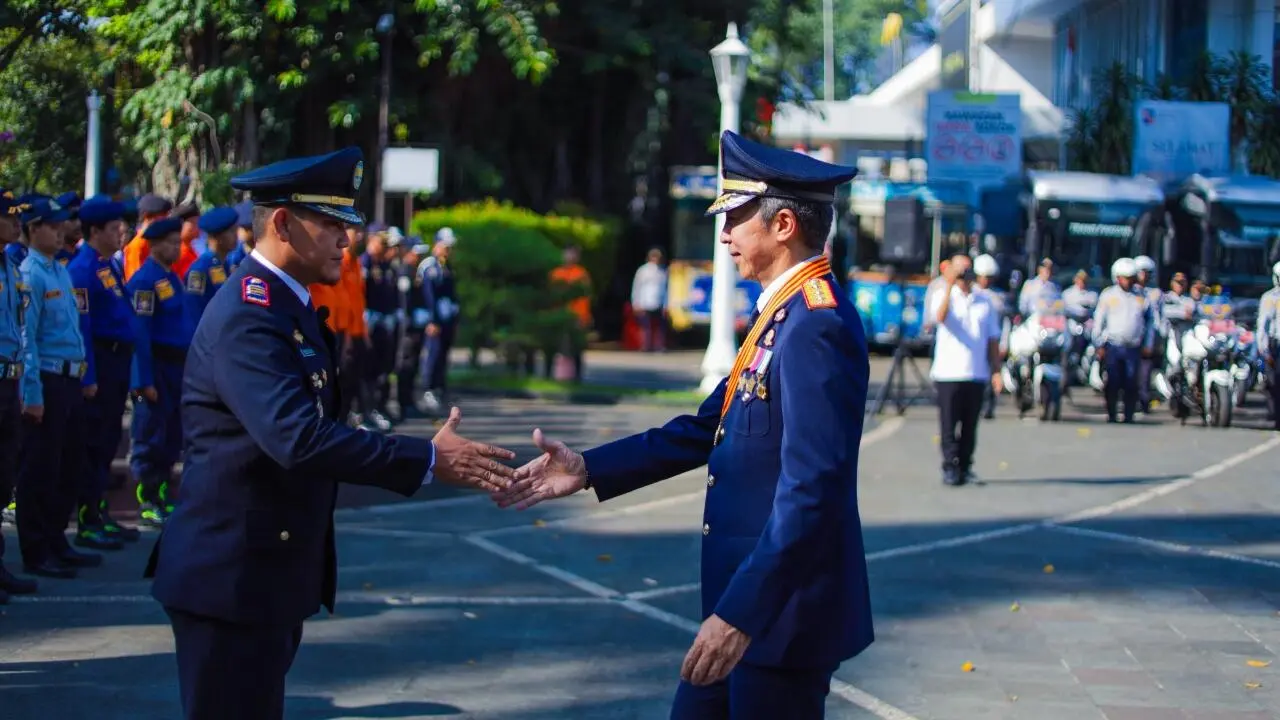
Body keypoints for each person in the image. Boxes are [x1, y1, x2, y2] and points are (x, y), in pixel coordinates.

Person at [493, 130, 872, 719]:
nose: (723, 236)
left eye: (736, 219)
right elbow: (704, 428)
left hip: (775, 619)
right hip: (745, 610)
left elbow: (811, 490)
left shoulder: (815, 324)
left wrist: (741, 614)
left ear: (783, 226)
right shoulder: (783, 317)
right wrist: (591, 468)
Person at [143, 146, 519, 720]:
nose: (346, 241)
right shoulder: (251, 315)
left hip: (261, 575)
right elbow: (298, 437)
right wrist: (423, 458)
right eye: (332, 224)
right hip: (230, 579)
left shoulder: (281, 307)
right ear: (283, 224)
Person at [17, 196, 103, 579]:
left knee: (68, 465)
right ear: (34, 230)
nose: (60, 231)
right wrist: (32, 394)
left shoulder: (60, 270)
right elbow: (27, 339)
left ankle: (57, 540)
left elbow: (72, 329)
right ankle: (36, 550)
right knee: (41, 469)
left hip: (70, 379)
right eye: (52, 226)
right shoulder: (30, 273)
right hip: (47, 381)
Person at [68, 195, 139, 548]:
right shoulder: (81, 270)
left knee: (109, 440)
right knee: (93, 444)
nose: (121, 232)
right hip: (100, 361)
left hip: (117, 362)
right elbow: (82, 328)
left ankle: (100, 512)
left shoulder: (105, 265)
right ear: (95, 231)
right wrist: (89, 376)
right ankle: (87, 519)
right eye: (114, 228)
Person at [127, 216, 193, 527]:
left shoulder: (172, 278)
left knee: (171, 435)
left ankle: (163, 495)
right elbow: (139, 335)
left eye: (177, 242)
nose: (176, 248)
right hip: (157, 367)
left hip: (176, 368)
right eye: (169, 242)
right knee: (151, 435)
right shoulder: (144, 281)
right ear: (153, 245)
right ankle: (147, 499)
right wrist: (143, 379)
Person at [930, 255, 1002, 487]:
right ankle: (950, 466)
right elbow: (938, 318)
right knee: (949, 424)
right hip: (948, 372)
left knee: (970, 426)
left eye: (968, 270)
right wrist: (950, 283)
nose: (965, 275)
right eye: (961, 270)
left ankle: (966, 466)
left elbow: (992, 339)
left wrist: (996, 371)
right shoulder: (942, 293)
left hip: (976, 372)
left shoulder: (985, 300)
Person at [0, 191, 39, 600]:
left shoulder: (12, 266)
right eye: (7, 218)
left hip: (10, 379)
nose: (15, 224)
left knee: (3, 478)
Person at [1093, 258, 1155, 424]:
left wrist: (1148, 344)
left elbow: (1150, 323)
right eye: (1124, 277)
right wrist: (1098, 343)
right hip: (1113, 345)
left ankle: (1129, 414)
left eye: (1130, 277)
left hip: (1133, 346)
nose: (1127, 281)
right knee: (1112, 381)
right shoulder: (1108, 295)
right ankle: (1112, 413)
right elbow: (1099, 320)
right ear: (1117, 278)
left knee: (1131, 381)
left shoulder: (1142, 297)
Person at [360, 225, 398, 430]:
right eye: (381, 243)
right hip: (368, 323)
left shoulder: (383, 264)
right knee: (368, 371)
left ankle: (377, 408)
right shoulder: (364, 263)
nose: (384, 248)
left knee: (382, 369)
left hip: (382, 322)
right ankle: (365, 411)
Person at [420, 227, 459, 414]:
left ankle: (439, 388)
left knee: (443, 354)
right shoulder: (430, 266)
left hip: (447, 319)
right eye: (446, 246)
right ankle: (428, 388)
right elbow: (429, 296)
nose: (448, 250)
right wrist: (433, 320)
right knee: (433, 354)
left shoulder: (446, 266)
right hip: (435, 319)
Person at [184, 206, 239, 327]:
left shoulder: (224, 263)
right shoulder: (200, 270)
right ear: (217, 237)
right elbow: (194, 310)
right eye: (231, 232)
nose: (236, 236)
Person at [394, 240, 430, 420]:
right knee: (406, 365)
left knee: (413, 365)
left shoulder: (415, 270)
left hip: (416, 326)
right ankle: (404, 403)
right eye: (417, 253)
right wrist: (408, 322)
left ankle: (409, 402)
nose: (419, 256)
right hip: (408, 329)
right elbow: (404, 301)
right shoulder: (404, 271)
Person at [547, 245, 592, 380]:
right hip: (558, 316)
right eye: (567, 254)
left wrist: (583, 317)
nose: (569, 257)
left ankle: (577, 376)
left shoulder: (581, 274)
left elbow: (585, 298)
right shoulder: (556, 274)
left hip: (575, 316)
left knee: (576, 349)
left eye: (573, 254)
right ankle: (549, 375)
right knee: (554, 347)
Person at [973, 254, 1006, 420]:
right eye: (984, 277)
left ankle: (989, 405)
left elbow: (1004, 323)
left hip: (993, 341)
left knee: (993, 372)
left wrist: (1004, 342)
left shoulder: (998, 298)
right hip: (975, 342)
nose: (986, 281)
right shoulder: (971, 294)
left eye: (989, 277)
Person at [122, 194, 173, 281]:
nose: (166, 219)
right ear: (147, 217)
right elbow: (136, 282)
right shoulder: (137, 246)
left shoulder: (156, 242)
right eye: (163, 215)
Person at [630, 247, 669, 352]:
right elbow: (637, 287)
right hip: (644, 302)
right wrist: (636, 302)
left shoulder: (662, 272)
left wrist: (666, 304)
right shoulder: (643, 271)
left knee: (659, 327)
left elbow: (665, 289)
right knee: (645, 326)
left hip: (658, 302)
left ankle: (658, 346)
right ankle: (645, 346)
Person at [1257, 264, 1280, 429]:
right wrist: (1263, 348)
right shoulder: (1270, 298)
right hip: (1276, 345)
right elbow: (1263, 324)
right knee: (1274, 382)